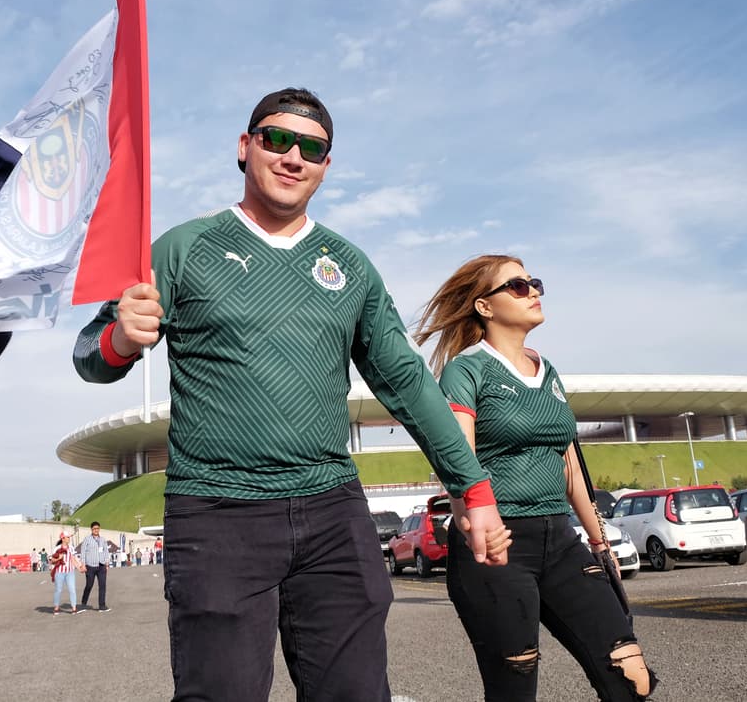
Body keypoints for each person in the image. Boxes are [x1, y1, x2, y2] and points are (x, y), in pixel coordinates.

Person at [74, 87, 510, 701]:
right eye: (277, 139)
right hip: (219, 511)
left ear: (326, 166)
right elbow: (88, 356)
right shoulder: (183, 248)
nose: (293, 157)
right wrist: (121, 338)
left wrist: (474, 489)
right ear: (245, 147)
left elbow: (407, 382)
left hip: (332, 510)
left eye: (312, 148)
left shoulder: (349, 265)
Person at [414, 255, 657, 701]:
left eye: (534, 282)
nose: (534, 292)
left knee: (630, 675)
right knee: (514, 688)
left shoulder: (548, 370)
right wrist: (467, 513)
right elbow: (456, 455)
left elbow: (570, 463)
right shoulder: (467, 369)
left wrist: (599, 541)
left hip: (560, 539)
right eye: (518, 286)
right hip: (498, 543)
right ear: (485, 306)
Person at [77, 521, 110, 612]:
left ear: (99, 529)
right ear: (91, 529)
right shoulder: (87, 539)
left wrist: (107, 563)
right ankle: (84, 602)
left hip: (101, 566)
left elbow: (106, 551)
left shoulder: (103, 540)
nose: (96, 530)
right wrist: (83, 564)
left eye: (97, 528)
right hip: (90, 566)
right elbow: (83, 552)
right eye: (94, 529)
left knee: (102, 586)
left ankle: (102, 606)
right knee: (89, 585)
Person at [49, 531, 83, 615]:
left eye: (69, 537)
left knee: (72, 589)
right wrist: (58, 558)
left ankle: (74, 608)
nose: (69, 538)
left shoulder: (71, 548)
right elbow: (51, 561)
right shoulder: (57, 548)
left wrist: (79, 568)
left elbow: (73, 559)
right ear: (63, 538)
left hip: (70, 572)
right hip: (59, 572)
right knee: (58, 590)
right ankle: (56, 607)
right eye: (67, 537)